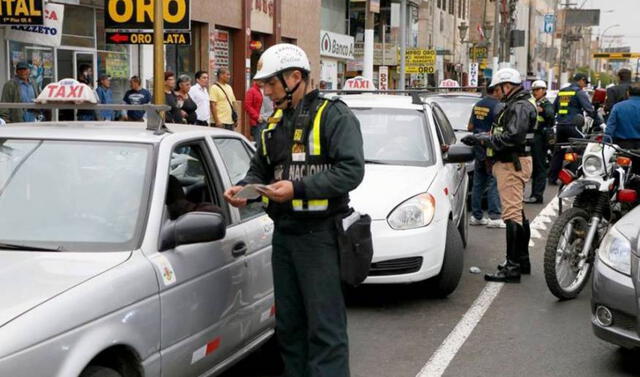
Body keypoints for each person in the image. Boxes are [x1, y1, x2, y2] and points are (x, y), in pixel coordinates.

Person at [223, 43, 364, 377]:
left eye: (271, 84)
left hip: (321, 236)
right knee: (289, 326)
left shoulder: (334, 114)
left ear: (295, 77)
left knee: (324, 329)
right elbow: (260, 169)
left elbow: (351, 171)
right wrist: (246, 189)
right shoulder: (273, 123)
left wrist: (297, 188)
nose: (267, 91)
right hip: (285, 235)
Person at [462, 68, 536, 282]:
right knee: (518, 213)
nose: (497, 93)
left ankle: (512, 268)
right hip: (513, 161)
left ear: (507, 85)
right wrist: (482, 136)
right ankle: (521, 261)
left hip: (512, 163)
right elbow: (505, 133)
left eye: (498, 88)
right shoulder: (518, 104)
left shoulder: (519, 105)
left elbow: (512, 137)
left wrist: (482, 140)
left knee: (512, 215)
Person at [548, 73, 597, 184]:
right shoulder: (579, 92)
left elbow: (553, 109)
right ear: (581, 80)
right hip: (573, 126)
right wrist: (600, 122)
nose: (584, 85)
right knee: (585, 148)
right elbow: (589, 109)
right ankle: (577, 176)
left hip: (560, 126)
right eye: (585, 83)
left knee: (558, 152)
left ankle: (552, 178)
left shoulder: (562, 91)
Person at [467, 83, 504, 228]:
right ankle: (494, 217)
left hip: (478, 147)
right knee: (494, 182)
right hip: (491, 148)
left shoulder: (477, 105)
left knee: (478, 183)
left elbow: (469, 127)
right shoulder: (498, 106)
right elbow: (500, 129)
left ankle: (476, 216)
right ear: (496, 90)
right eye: (501, 89)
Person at [525, 80, 555, 204]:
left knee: (539, 167)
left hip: (540, 138)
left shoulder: (546, 103)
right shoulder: (534, 102)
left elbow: (551, 115)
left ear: (543, 90)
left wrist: (542, 110)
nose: (535, 92)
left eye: (537, 90)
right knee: (533, 167)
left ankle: (537, 196)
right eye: (533, 90)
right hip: (532, 137)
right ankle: (533, 194)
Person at [605, 82, 640, 173]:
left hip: (623, 147)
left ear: (628, 93)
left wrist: (605, 144)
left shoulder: (618, 107)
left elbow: (610, 129)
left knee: (621, 173)